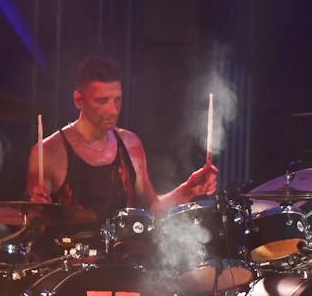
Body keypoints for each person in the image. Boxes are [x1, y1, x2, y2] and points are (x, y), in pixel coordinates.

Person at [24, 56, 218, 221]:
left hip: (124, 261)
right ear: (78, 100)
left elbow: (150, 209)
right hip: (68, 262)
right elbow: (33, 221)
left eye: (117, 100)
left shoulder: (130, 143)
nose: (112, 110)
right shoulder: (49, 152)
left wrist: (188, 191)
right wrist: (35, 210)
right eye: (102, 101)